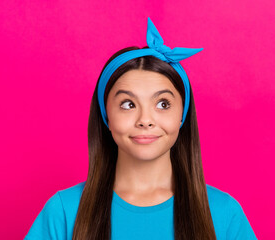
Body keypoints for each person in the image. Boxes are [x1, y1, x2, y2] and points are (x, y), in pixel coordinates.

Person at [25, 17, 257, 240]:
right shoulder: (64, 211)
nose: (145, 120)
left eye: (163, 104)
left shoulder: (224, 213)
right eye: (128, 104)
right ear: (106, 116)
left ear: (182, 115)